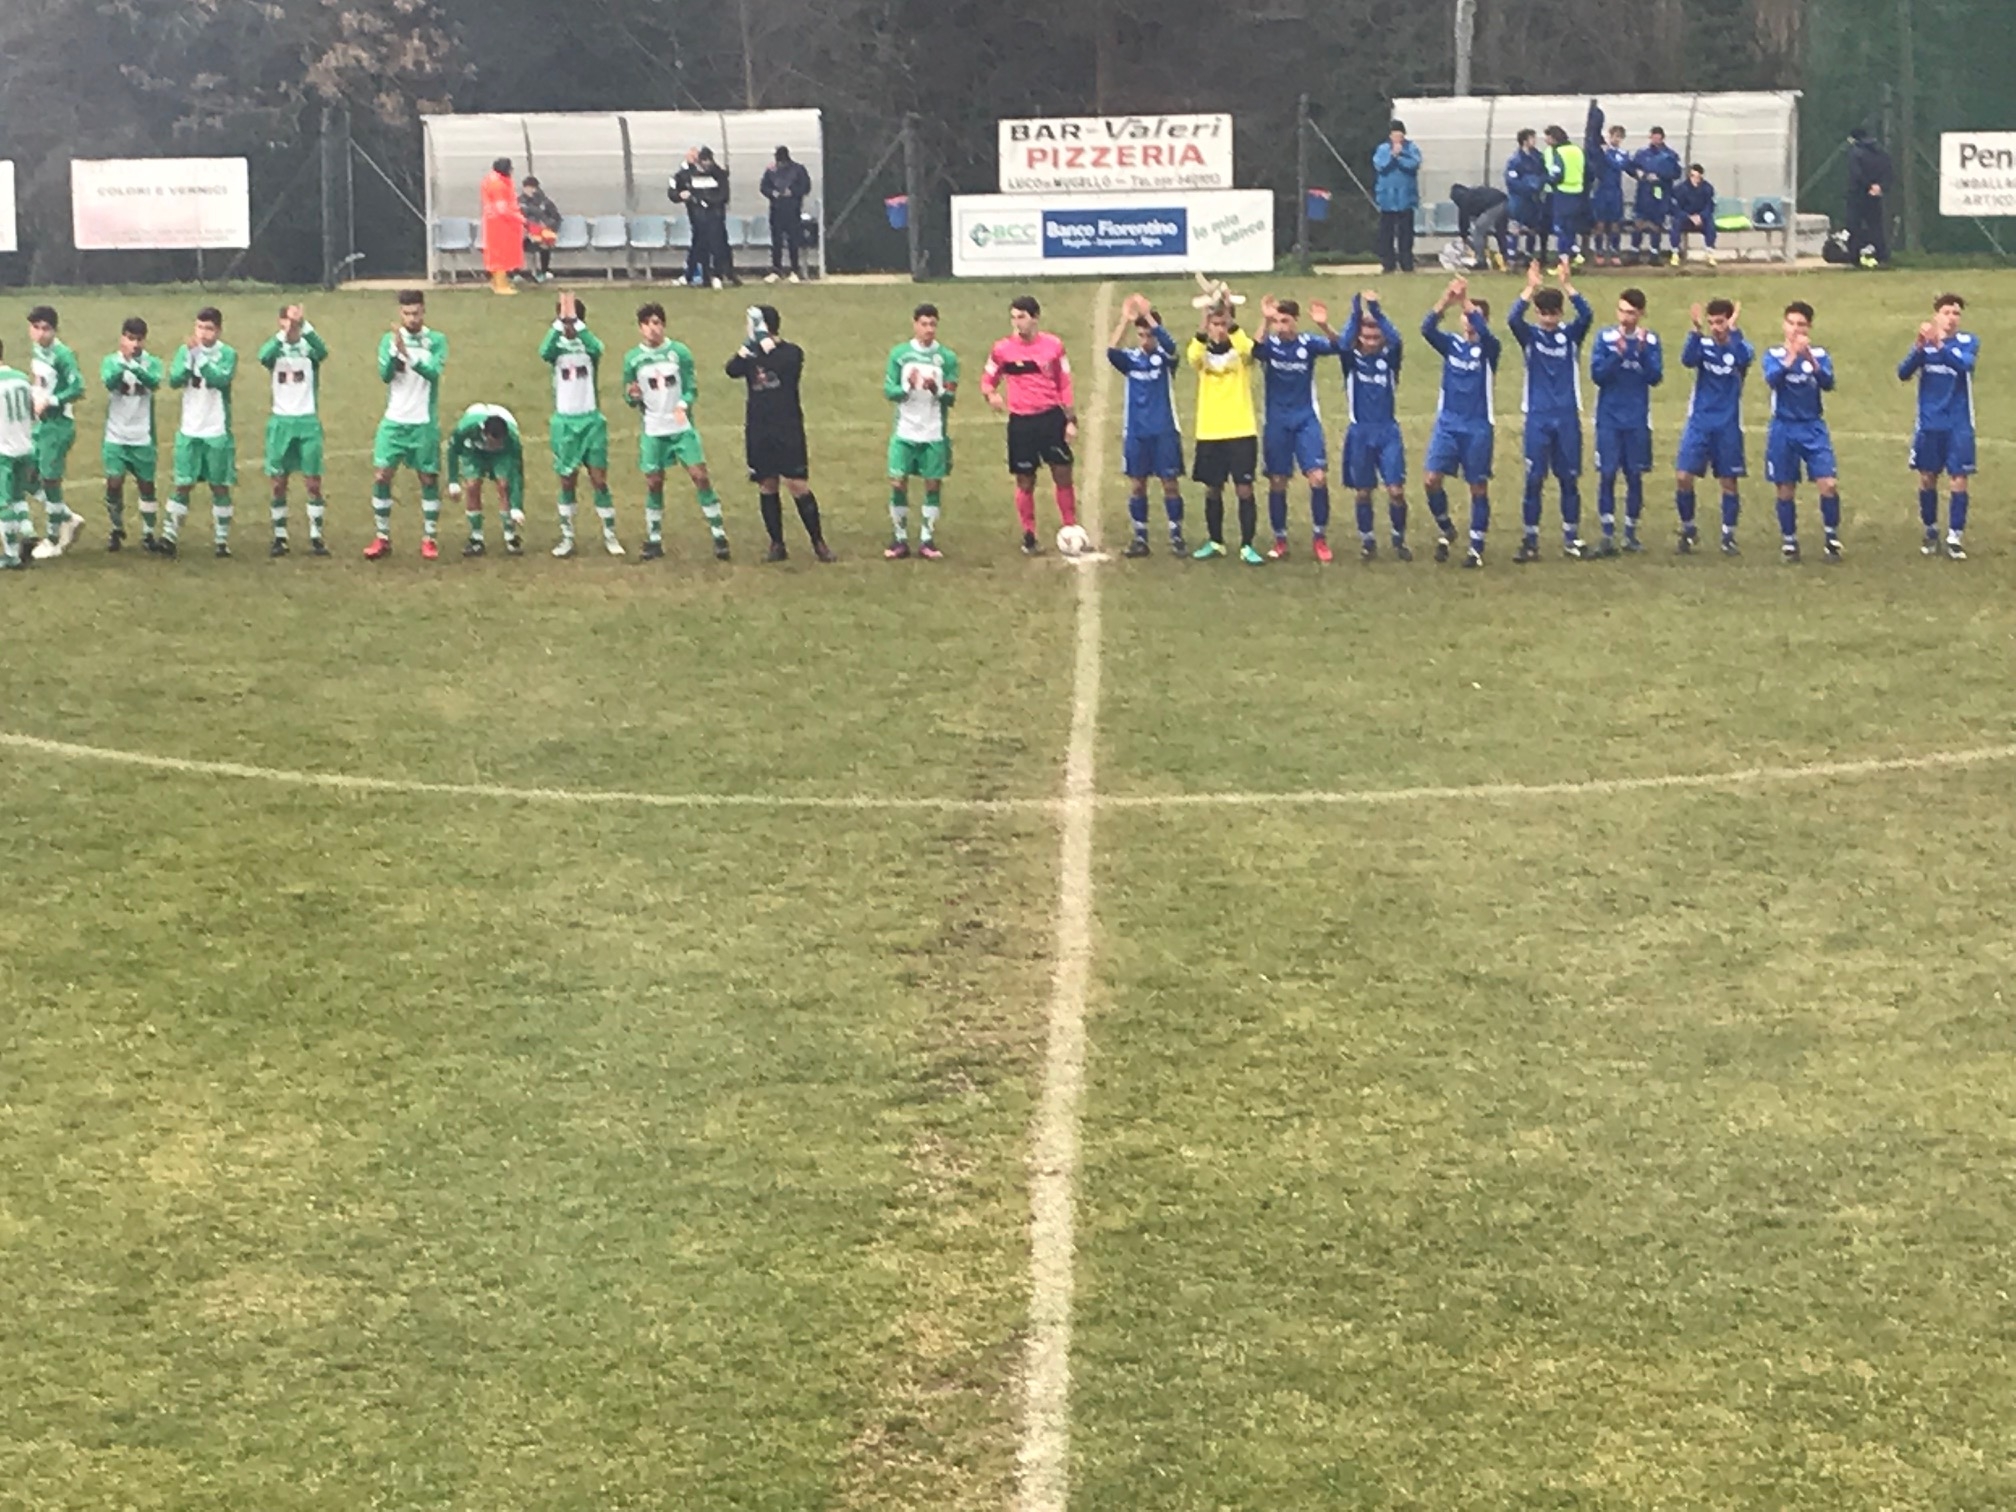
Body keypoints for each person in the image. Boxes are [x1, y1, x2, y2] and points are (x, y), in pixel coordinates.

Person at [624, 302, 729, 562]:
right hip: (653, 428)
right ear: (640, 328)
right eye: (648, 323)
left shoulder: (679, 353)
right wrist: (633, 396)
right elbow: (629, 395)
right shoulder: (632, 359)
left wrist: (683, 404)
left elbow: (691, 386)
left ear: (664, 325)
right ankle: (654, 539)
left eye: (657, 322)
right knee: (654, 482)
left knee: (700, 476)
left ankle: (719, 534)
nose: (653, 329)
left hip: (681, 428)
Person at [726, 305, 832, 562]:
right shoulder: (750, 354)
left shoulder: (790, 353)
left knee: (797, 484)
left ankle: (818, 542)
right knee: (767, 484)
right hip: (758, 428)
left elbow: (783, 366)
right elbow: (731, 370)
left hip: (787, 427)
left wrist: (764, 342)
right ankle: (776, 544)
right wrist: (748, 346)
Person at [1507, 257, 1594, 560]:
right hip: (1538, 416)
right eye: (1543, 314)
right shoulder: (1530, 336)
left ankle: (1572, 538)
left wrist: (1567, 284)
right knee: (1534, 478)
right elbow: (1512, 320)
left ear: (1560, 313)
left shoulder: (1570, 335)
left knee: (1568, 478)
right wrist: (1529, 288)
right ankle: (1530, 540)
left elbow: (1587, 314)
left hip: (1567, 416)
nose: (1548, 319)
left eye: (1553, 313)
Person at [980, 295, 1078, 556]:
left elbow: (1064, 383)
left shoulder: (1054, 346)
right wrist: (991, 394)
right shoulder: (1002, 349)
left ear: (1035, 318)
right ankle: (1029, 534)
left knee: (1063, 473)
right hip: (1021, 422)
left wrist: (1070, 420)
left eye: (1021, 317)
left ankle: (1070, 527)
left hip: (1050, 418)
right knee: (1025, 480)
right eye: (1013, 317)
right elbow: (988, 379)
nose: (1016, 323)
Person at [1419, 278, 1501, 567]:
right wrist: (1446, 299)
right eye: (1464, 316)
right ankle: (1446, 527)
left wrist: (1466, 300)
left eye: (1473, 316)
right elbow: (1426, 329)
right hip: (1448, 424)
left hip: (1478, 427)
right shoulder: (1451, 345)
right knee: (1431, 479)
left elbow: (1488, 337)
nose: (1467, 321)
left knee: (1477, 486)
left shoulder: (1491, 349)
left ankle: (1476, 548)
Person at [1251, 296, 1338, 560]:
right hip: (1277, 421)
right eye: (1277, 321)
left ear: (1295, 321)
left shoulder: (1308, 343)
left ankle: (1320, 538)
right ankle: (1280, 540)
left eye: (1285, 320)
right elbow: (1254, 350)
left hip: (1305, 420)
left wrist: (1324, 325)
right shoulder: (1270, 345)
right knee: (1278, 481)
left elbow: (1342, 346)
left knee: (1318, 477)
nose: (1281, 326)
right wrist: (1264, 321)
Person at [366, 291, 449, 561]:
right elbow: (384, 376)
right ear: (400, 313)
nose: (411, 318)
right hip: (394, 420)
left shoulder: (435, 340)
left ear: (424, 312)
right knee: (381, 476)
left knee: (427, 478)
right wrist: (394, 355)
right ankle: (382, 537)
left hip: (422, 422)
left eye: (416, 313)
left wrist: (409, 356)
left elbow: (434, 372)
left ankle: (429, 538)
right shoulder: (388, 341)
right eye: (406, 313)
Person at [540, 292, 622, 558]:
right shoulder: (556, 349)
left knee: (599, 480)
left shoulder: (588, 347)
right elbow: (544, 351)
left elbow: (598, 348)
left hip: (591, 421)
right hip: (564, 422)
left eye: (571, 322)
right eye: (564, 322)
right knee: (567, 481)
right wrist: (558, 325)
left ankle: (610, 535)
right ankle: (567, 537)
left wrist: (578, 325)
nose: (568, 327)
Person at [1898, 293, 1978, 560]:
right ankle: (1931, 530)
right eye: (1946, 312)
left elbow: (1964, 365)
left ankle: (1955, 536)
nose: (1951, 318)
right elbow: (1903, 373)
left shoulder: (1967, 342)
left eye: (1956, 313)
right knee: (1927, 477)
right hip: (1929, 424)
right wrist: (1919, 347)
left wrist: (1939, 345)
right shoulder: (1926, 346)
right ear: (1936, 315)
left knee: (1959, 478)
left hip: (1958, 423)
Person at [1331, 292, 1410, 561]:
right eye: (1367, 337)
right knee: (1363, 491)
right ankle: (1368, 541)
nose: (1372, 341)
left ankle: (1399, 539)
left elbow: (1397, 339)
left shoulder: (1390, 358)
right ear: (1360, 337)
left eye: (1377, 337)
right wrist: (1355, 312)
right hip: (1359, 432)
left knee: (1396, 490)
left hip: (1388, 431)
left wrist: (1376, 309)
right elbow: (1342, 343)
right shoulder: (1351, 359)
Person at [1185, 293, 1262, 564]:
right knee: (1212, 488)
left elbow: (1248, 348)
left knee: (1244, 488)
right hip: (1210, 431)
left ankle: (1247, 545)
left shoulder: (1241, 354)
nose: (1218, 328)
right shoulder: (1202, 353)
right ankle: (1215, 541)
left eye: (1222, 324)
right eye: (1214, 324)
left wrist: (1229, 317)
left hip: (1241, 429)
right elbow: (1192, 355)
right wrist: (1203, 321)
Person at [1106, 294, 1185, 558]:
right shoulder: (1130, 359)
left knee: (1170, 484)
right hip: (1136, 433)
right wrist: (1125, 321)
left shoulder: (1165, 359)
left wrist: (1150, 316)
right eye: (1141, 335)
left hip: (1164, 432)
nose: (1145, 339)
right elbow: (1111, 351)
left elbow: (1172, 347)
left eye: (1149, 334)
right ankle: (1141, 537)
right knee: (1137, 485)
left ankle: (1176, 536)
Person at [1763, 300, 1841, 562]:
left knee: (1828, 484)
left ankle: (1831, 538)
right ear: (1784, 325)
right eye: (1792, 323)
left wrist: (1811, 361)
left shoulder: (1819, 355)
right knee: (1785, 487)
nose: (1796, 329)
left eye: (1801, 325)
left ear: (1809, 328)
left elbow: (1829, 383)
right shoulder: (1774, 355)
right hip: (1783, 426)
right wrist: (1791, 357)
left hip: (1812, 426)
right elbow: (1772, 380)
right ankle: (1789, 541)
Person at [1588, 287, 1664, 555]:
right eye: (1621, 311)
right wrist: (1617, 354)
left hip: (1636, 419)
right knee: (1607, 474)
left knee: (1634, 475)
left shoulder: (1650, 340)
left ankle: (1631, 533)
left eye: (1631, 313)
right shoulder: (1605, 338)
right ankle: (1607, 533)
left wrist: (1641, 352)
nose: (1625, 318)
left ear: (1641, 313)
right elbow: (1597, 375)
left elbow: (1655, 377)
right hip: (1609, 418)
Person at [1674, 297, 1753, 554]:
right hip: (1699, 422)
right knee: (1683, 476)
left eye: (1720, 322)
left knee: (1728, 481)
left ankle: (1728, 536)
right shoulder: (1703, 345)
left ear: (1729, 320)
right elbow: (1687, 360)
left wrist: (1734, 332)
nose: (1716, 327)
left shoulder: (1740, 348)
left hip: (1728, 424)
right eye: (1712, 323)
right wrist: (1695, 331)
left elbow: (1744, 358)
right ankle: (1688, 529)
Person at [883, 302, 959, 560]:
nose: (929, 330)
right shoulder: (900, 354)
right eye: (924, 324)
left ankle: (927, 539)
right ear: (915, 324)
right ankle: (900, 538)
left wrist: (935, 389)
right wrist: (907, 387)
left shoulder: (946, 358)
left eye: (933, 325)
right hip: (904, 432)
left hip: (933, 433)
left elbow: (951, 398)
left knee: (932, 484)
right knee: (898, 481)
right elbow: (889, 391)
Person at [163, 306, 238, 559]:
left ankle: (221, 540)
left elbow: (220, 379)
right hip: (189, 428)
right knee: (183, 483)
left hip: (216, 429)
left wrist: (200, 357)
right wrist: (187, 363)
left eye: (208, 328)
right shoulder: (184, 351)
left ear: (218, 330)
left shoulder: (227, 353)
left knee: (219, 485)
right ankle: (169, 536)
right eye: (199, 327)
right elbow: (173, 380)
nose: (203, 333)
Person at [257, 303, 330, 557]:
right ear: (280, 322)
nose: (292, 325)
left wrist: (304, 327)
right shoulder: (276, 350)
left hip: (307, 422)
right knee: (278, 482)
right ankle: (279, 537)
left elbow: (323, 350)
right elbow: (263, 356)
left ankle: (316, 537)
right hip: (281, 423)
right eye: (287, 320)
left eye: (296, 320)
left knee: (313, 482)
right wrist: (283, 335)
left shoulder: (309, 350)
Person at [26, 305, 85, 557]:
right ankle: (67, 517)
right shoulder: (37, 350)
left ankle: (52, 539)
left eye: (46, 328)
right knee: (28, 476)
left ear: (54, 330)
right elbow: (39, 381)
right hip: (41, 424)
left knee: (50, 479)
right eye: (36, 328)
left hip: (58, 425)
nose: (40, 333)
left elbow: (78, 387)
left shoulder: (62, 355)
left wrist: (49, 401)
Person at [100, 317, 162, 552]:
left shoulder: (151, 363)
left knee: (147, 485)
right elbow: (109, 382)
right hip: (116, 436)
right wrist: (122, 365)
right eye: (130, 338)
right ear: (122, 338)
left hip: (142, 436)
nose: (134, 344)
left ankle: (148, 533)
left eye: (139, 339)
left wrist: (133, 365)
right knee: (114, 483)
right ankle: (116, 528)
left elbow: (154, 382)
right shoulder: (110, 362)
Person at [445, 404, 526, 554]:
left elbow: (517, 472)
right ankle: (476, 538)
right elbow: (453, 450)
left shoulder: (512, 439)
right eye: (493, 442)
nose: (496, 445)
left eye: (499, 442)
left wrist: (517, 506)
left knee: (504, 485)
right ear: (484, 432)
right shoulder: (466, 428)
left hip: (502, 456)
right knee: (472, 485)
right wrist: (453, 481)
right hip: (474, 453)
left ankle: (510, 537)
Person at [672, 147, 737, 289]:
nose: (707, 164)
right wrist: (681, 195)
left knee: (719, 247)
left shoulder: (719, 175)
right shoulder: (687, 175)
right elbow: (674, 190)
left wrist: (709, 201)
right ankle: (703, 277)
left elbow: (723, 196)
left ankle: (721, 275)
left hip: (716, 218)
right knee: (699, 249)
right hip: (698, 219)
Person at [0, 343, 35, 569]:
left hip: (3, 451)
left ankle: (11, 554)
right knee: (18, 496)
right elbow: (32, 411)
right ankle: (28, 530)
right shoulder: (22, 378)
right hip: (25, 446)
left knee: (3, 503)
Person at [1373, 121, 1421, 275]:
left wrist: (1400, 156)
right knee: (1386, 233)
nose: (1397, 137)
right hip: (1387, 198)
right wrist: (1392, 155)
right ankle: (1388, 263)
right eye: (1394, 134)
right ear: (1390, 135)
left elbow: (1414, 164)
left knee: (1406, 233)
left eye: (1400, 134)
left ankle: (1406, 263)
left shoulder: (1411, 148)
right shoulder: (1382, 149)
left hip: (1405, 198)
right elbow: (1380, 165)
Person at [760, 146, 812, 284]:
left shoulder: (798, 169)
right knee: (776, 241)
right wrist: (773, 193)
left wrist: (793, 192)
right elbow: (764, 187)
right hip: (776, 209)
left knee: (793, 241)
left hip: (792, 209)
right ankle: (776, 270)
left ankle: (794, 270)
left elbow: (806, 187)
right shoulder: (771, 170)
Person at [1630, 127, 1682, 265]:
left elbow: (1676, 174)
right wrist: (1637, 173)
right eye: (1653, 137)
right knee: (1638, 222)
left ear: (1662, 138)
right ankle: (1634, 252)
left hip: (1660, 194)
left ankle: (1654, 253)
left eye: (1658, 137)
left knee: (1656, 223)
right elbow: (1631, 167)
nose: (1655, 140)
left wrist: (1660, 177)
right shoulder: (1642, 154)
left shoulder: (1670, 155)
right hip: (1643, 193)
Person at [1846, 128, 1893, 269]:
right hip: (1875, 195)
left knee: (1854, 226)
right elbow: (1888, 172)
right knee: (1876, 227)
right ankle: (1881, 256)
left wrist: (1868, 186)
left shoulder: (1855, 153)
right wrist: (1879, 187)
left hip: (1857, 195)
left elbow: (1856, 174)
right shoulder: (1881, 153)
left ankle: (1855, 257)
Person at [1542, 124, 1586, 262]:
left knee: (1560, 227)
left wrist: (1544, 181)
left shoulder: (1558, 152)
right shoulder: (1577, 150)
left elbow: (1557, 174)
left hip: (1562, 192)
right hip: (1577, 192)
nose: (1546, 140)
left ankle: (1564, 260)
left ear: (1554, 138)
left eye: (1547, 137)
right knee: (1570, 227)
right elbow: (1587, 170)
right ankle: (1574, 254)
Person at [481, 157, 524, 297]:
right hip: (501, 224)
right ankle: (501, 285)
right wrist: (519, 218)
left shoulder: (490, 180)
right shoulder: (498, 185)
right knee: (501, 254)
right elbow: (502, 208)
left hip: (494, 222)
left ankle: (496, 282)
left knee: (496, 253)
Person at [1589, 124, 1631, 266]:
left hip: (1615, 191)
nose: (1616, 139)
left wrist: (1607, 155)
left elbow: (1620, 165)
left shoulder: (1622, 154)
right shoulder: (1601, 152)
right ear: (1609, 136)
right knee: (1599, 223)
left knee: (1615, 223)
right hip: (1601, 191)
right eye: (1614, 136)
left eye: (1619, 137)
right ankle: (1599, 251)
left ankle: (1614, 252)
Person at [1505, 129, 1548, 265]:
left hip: (1534, 200)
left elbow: (1544, 174)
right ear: (1524, 141)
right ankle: (1511, 257)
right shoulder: (1515, 160)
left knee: (1532, 228)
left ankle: (1529, 256)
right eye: (1532, 138)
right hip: (1519, 199)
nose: (1534, 141)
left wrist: (1538, 184)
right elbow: (1511, 180)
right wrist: (1526, 187)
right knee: (1515, 227)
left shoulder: (1539, 157)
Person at [1449, 183, 1508, 270]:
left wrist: (1464, 236)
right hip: (1504, 201)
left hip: (1495, 205)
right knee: (1500, 232)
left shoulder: (1463, 199)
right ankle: (1507, 258)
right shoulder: (1472, 194)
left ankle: (1481, 261)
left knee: (1478, 231)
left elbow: (1463, 221)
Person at [1669, 164, 1718, 267]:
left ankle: (1710, 254)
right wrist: (1688, 216)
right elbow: (1676, 208)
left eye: (1697, 176)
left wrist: (1701, 216)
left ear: (1701, 176)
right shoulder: (1680, 189)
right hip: (1686, 219)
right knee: (1675, 224)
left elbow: (1710, 206)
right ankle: (1675, 254)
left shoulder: (1708, 188)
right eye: (1692, 176)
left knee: (1710, 224)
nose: (1695, 179)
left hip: (1701, 219)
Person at [519, 176, 562, 284]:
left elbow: (556, 218)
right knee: (520, 241)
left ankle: (544, 270)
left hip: (542, 232)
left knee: (544, 242)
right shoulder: (520, 202)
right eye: (527, 188)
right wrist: (526, 230)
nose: (530, 191)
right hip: (525, 232)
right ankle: (522, 272)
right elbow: (515, 219)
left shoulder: (545, 202)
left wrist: (546, 226)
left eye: (532, 188)